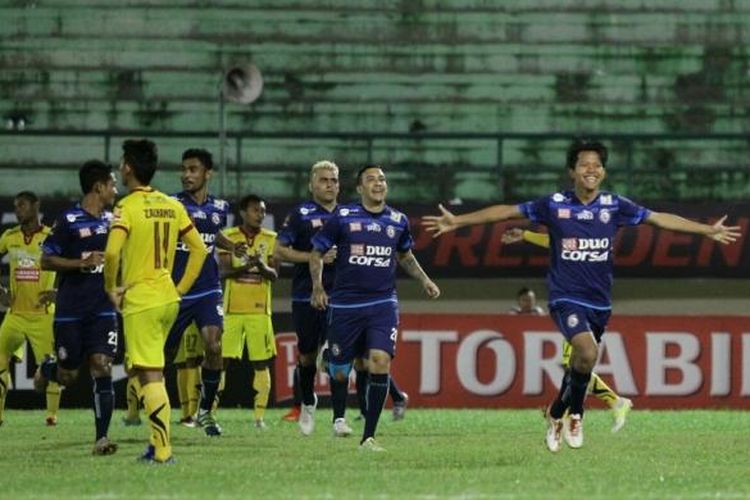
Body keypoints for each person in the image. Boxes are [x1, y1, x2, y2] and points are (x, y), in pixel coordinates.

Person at [423, 138, 741, 452]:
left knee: (579, 364)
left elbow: (658, 218)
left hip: (600, 301)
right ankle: (577, 414)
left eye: (596, 165)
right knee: (587, 353)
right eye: (584, 164)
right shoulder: (554, 205)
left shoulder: (615, 206)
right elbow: (507, 211)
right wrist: (458, 221)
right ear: (572, 172)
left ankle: (556, 414)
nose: (591, 169)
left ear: (602, 172)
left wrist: (706, 230)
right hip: (565, 296)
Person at [311, 165, 440, 451]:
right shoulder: (343, 217)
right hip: (344, 305)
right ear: (359, 189)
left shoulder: (398, 220)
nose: (378, 183)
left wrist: (425, 280)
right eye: (371, 180)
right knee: (342, 371)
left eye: (382, 179)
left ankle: (368, 437)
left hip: (383, 304)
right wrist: (318, 287)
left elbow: (405, 256)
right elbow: (317, 252)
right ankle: (338, 414)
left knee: (380, 361)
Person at [103, 139, 208, 464]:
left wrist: (111, 287)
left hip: (142, 300)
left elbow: (110, 252)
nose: (120, 168)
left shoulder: (127, 207)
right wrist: (180, 288)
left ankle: (162, 451)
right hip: (167, 297)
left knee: (149, 374)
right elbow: (200, 250)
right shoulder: (171, 204)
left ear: (129, 168)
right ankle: (154, 444)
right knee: (145, 369)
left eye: (123, 163)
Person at [502, 228, 633, 433]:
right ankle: (564, 412)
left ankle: (614, 401)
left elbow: (557, 243)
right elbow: (555, 242)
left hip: (581, 308)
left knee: (576, 364)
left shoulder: (588, 238)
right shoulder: (584, 237)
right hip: (578, 307)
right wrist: (526, 236)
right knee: (572, 365)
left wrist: (526, 235)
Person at [35, 160, 120, 455]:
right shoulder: (68, 220)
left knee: (102, 365)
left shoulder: (114, 221)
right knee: (69, 375)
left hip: (103, 308)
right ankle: (48, 368)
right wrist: (81, 264)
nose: (116, 189)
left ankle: (101, 438)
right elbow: (46, 260)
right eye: (112, 183)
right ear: (99, 186)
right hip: (71, 309)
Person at [161, 148, 237, 436]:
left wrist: (230, 245)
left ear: (208, 174)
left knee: (214, 346)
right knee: (162, 354)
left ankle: (205, 411)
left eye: (193, 169)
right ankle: (157, 408)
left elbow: (211, 234)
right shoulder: (171, 205)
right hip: (176, 289)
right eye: (184, 169)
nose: (186, 175)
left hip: (207, 288)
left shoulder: (220, 207)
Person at [0, 191, 61, 426]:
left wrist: (58, 292)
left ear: (36, 206)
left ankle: (52, 415)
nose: (18, 210)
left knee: (51, 364)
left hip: (43, 315)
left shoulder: (51, 236)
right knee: (1, 359)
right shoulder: (9, 236)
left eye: (23, 205)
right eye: (16, 206)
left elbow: (70, 265)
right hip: (15, 314)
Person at [219, 194, 278, 429]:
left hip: (260, 310)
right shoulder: (230, 238)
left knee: (260, 363)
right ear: (243, 212)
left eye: (262, 211)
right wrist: (246, 266)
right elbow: (222, 273)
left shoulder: (271, 239)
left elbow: (274, 275)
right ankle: (209, 414)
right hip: (232, 309)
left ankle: (259, 418)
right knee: (221, 362)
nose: (260, 215)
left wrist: (261, 266)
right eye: (255, 210)